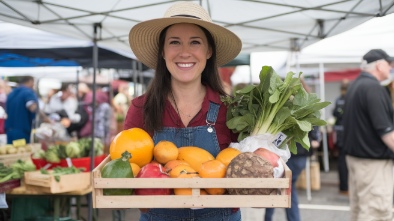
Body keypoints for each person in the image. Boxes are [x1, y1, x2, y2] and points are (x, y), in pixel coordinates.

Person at [124, 1, 242, 220]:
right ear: (163, 51)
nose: (185, 52)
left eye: (195, 42)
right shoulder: (141, 108)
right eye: (175, 42)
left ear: (208, 51)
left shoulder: (232, 111)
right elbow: (126, 171)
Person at [342, 49, 394, 221]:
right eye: (389, 64)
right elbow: (386, 131)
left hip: (356, 159)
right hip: (373, 164)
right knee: (376, 212)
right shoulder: (374, 88)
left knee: (359, 210)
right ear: (379, 65)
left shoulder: (354, 86)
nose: (390, 68)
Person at [264, 126, 320, 221]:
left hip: (288, 156)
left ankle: (268, 218)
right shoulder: (307, 114)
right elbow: (315, 137)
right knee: (286, 187)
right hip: (300, 156)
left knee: (275, 186)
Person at [5, 76, 38, 144]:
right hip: (22, 131)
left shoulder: (11, 94)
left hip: (9, 130)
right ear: (30, 82)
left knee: (11, 152)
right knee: (21, 153)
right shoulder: (28, 92)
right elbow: (32, 107)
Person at [332, 79, 349, 195]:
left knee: (341, 160)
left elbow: (334, 114)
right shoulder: (350, 99)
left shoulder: (338, 100)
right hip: (348, 133)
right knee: (348, 160)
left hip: (339, 133)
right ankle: (346, 186)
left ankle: (343, 186)